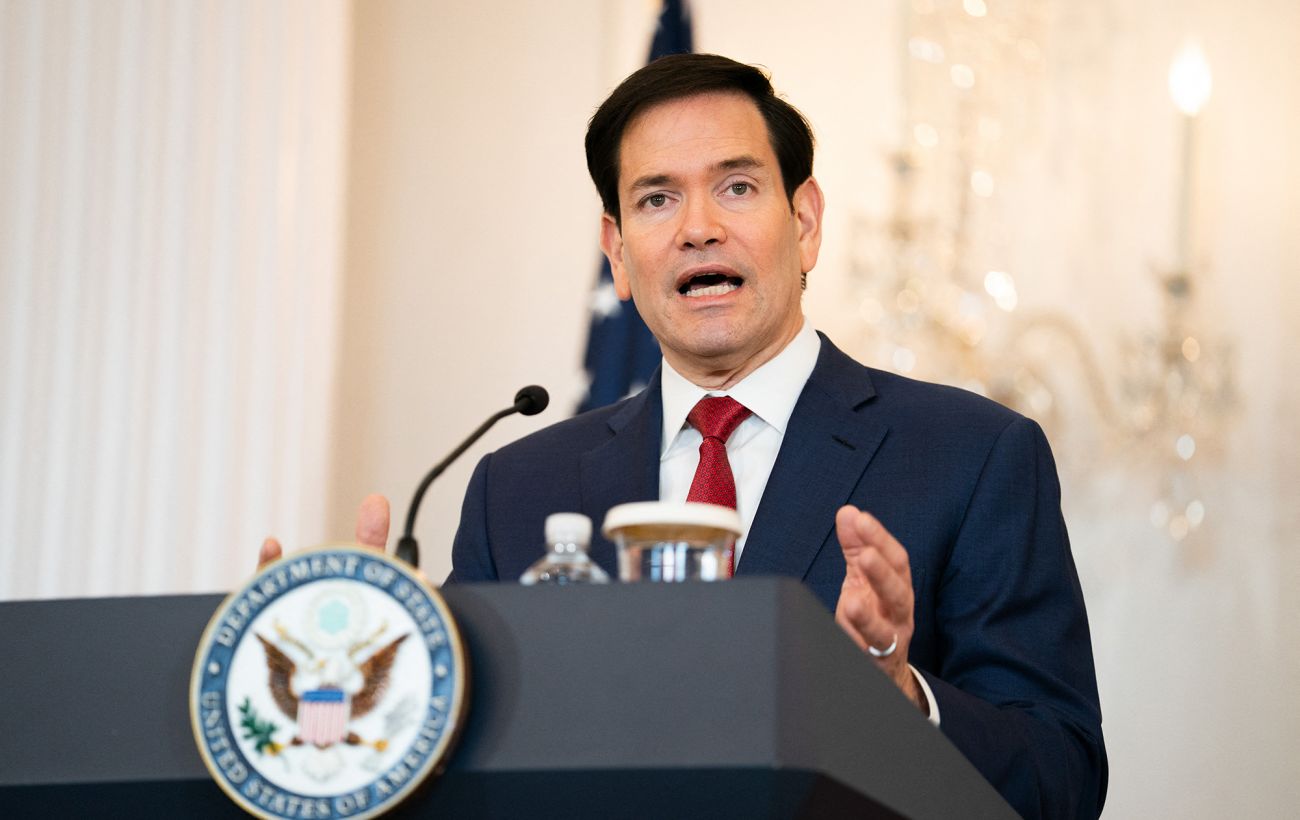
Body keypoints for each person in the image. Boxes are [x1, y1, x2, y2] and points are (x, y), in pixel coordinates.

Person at [263, 53, 1105, 818]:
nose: (698, 227)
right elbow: (461, 767)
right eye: (656, 199)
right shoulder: (515, 489)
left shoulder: (971, 455)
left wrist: (900, 694)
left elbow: (1061, 779)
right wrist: (361, 681)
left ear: (805, 222)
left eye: (736, 187)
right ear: (618, 252)